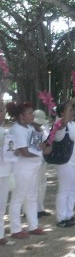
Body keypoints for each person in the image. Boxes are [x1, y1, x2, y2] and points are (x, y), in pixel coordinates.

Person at [7, 101, 46, 238]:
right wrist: (39, 152)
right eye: (30, 113)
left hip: (33, 167)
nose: (32, 116)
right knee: (18, 198)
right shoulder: (16, 130)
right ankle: (15, 229)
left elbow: (36, 146)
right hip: (22, 169)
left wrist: (41, 146)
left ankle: (33, 225)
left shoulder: (29, 128)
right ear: (21, 116)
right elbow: (24, 151)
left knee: (31, 196)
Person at [48, 99, 75, 227]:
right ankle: (61, 218)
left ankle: (69, 214)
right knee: (65, 190)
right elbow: (62, 123)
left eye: (72, 110)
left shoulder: (74, 125)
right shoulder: (59, 125)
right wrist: (69, 103)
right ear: (61, 114)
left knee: (74, 189)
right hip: (66, 163)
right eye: (70, 110)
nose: (73, 112)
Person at [0, 100, 15, 245]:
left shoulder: (4, 130)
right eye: (0, 111)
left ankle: (0, 235)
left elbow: (10, 152)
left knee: (2, 203)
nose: (3, 114)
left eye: (3, 111)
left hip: (4, 170)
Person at [32, 109, 51, 218]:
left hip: (42, 160)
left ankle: (40, 208)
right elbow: (35, 148)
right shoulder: (32, 130)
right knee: (34, 186)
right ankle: (31, 209)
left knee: (42, 184)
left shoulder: (43, 130)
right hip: (33, 162)